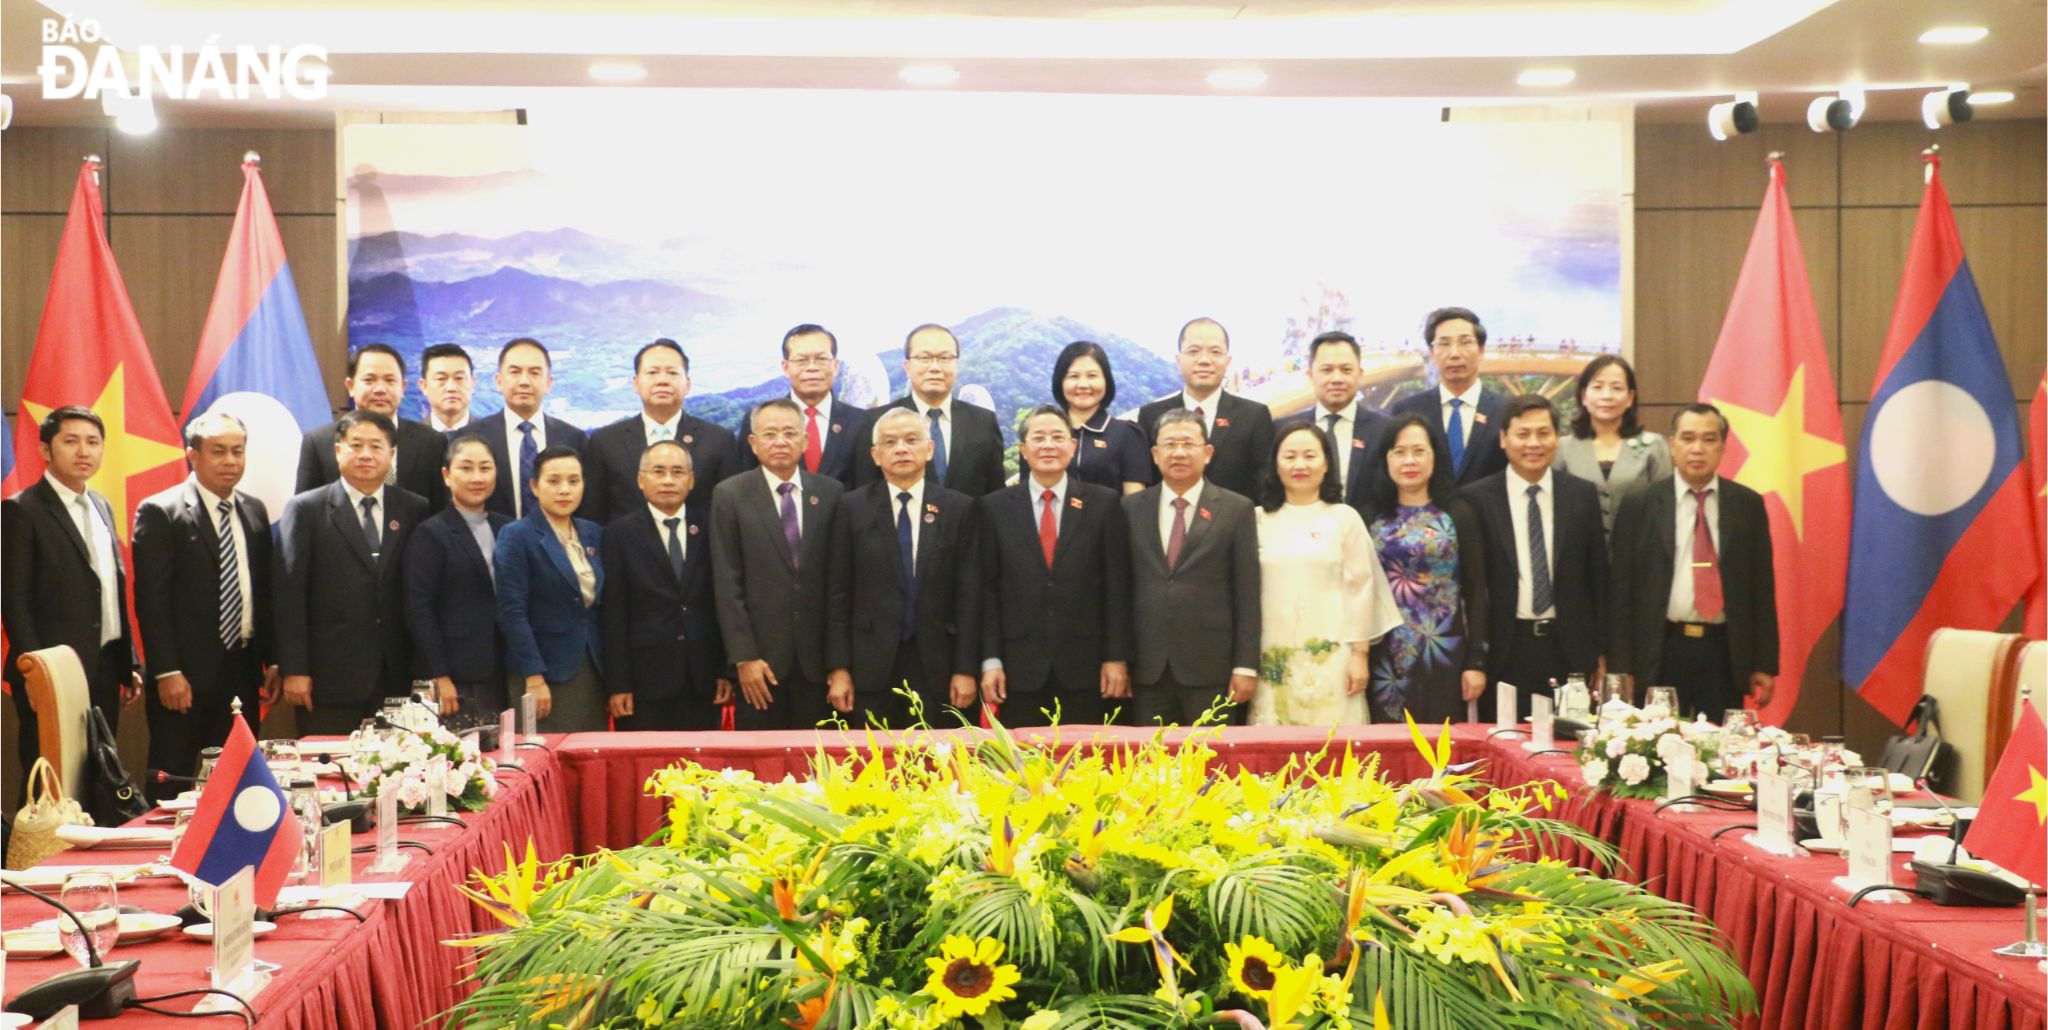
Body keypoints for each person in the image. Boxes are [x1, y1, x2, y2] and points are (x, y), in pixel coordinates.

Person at [133, 412, 275, 798]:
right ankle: (161, 855)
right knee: (172, 778)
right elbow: (152, 601)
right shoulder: (162, 511)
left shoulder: (254, 510)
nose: (230, 461)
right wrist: (167, 671)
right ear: (192, 454)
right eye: (218, 451)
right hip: (184, 675)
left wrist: (273, 659)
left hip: (242, 669)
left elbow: (263, 592)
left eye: (237, 451)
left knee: (239, 782)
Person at [1608, 405, 1778, 720]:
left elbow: (1762, 588)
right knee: (1655, 754)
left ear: (1723, 447)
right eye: (1688, 438)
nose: (1697, 448)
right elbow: (1621, 590)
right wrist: (1621, 667)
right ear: (1672, 445)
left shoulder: (1747, 505)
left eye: (1709, 439)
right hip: (1661, 648)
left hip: (1723, 651)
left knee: (1718, 756)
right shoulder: (1640, 504)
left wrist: (1764, 664)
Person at [2, 407, 142, 782]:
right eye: (71, 441)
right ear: (45, 451)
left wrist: (127, 660)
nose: (84, 451)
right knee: (50, 777)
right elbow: (14, 602)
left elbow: (109, 587)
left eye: (93, 442)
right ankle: (44, 846)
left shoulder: (102, 505)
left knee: (97, 776)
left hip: (105, 664)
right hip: (53, 669)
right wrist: (35, 674)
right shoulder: (20, 511)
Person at [276, 409, 430, 735]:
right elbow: (289, 596)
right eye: (355, 445)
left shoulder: (414, 508)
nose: (365, 455)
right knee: (331, 775)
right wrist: (294, 669)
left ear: (392, 454)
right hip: (329, 675)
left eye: (376, 446)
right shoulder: (306, 509)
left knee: (398, 772)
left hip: (397, 673)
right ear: (337, 450)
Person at [977, 406, 1132, 727]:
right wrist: (990, 660)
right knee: (1021, 768)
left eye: (1058, 437)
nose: (1048, 445)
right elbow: (987, 591)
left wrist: (1116, 657)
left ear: (1073, 446)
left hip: (1086, 667)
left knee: (1085, 768)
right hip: (1017, 669)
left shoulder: (1103, 504)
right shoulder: (994, 508)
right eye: (1039, 437)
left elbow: (1116, 587)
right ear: (1023, 449)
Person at [827, 409, 980, 727]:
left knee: (941, 769)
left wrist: (966, 669)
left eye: (911, 440)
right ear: (875, 455)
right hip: (870, 666)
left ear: (929, 449)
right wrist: (839, 669)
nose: (901, 448)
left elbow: (970, 596)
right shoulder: (850, 507)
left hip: (940, 665)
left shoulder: (959, 508)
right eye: (890, 442)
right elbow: (837, 593)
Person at [1461, 394, 1606, 718]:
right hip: (1504, 650)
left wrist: (1601, 652)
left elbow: (1597, 576)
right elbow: (1471, 586)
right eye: (1523, 434)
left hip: (1569, 648)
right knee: (1503, 749)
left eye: (1543, 433)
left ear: (1557, 438)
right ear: (1503, 439)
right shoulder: (1476, 499)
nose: (1533, 443)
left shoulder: (1581, 495)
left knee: (1570, 749)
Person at [1248, 423, 1401, 726]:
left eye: (1310, 455)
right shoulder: (1256, 519)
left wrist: (1359, 655)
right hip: (1271, 655)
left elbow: (1362, 588)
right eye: (1289, 456)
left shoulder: (1344, 518)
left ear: (1327, 463)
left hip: (1333, 656)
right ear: (1275, 464)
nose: (1300, 465)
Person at [710, 400, 844, 729]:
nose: (780, 441)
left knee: (820, 767)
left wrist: (840, 663)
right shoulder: (730, 495)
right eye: (769, 434)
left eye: (789, 433)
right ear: (753, 443)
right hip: (760, 662)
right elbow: (727, 583)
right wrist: (744, 656)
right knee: (761, 769)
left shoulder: (831, 493)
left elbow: (840, 585)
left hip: (818, 663)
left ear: (805, 441)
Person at [1123, 409, 1261, 726]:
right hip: (1147, 666)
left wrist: (1246, 665)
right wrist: (1120, 658)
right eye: (1170, 444)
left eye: (1189, 443)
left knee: (1212, 767)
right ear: (1155, 455)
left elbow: (1247, 592)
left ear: (1207, 453)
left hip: (1213, 666)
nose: (1180, 452)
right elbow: (1120, 588)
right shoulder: (1131, 508)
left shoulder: (1236, 509)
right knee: (1152, 768)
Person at [1360, 414, 1489, 724]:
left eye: (1419, 451)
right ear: (1386, 459)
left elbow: (1477, 590)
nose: (1409, 461)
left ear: (1435, 457)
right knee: (1384, 758)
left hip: (1444, 653)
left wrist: (1476, 662)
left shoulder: (1459, 514)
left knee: (1440, 752)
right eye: (1399, 452)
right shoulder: (1367, 516)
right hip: (1383, 657)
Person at [600, 440, 729, 731]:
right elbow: (614, 613)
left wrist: (725, 670)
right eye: (658, 471)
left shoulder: (711, 527)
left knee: (703, 769)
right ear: (641, 480)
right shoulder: (618, 534)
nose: (668, 480)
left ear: (691, 480)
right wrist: (618, 683)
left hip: (703, 677)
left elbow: (721, 602)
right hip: (644, 680)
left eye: (677, 472)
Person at [494, 446, 608, 733]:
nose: (565, 490)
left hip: (591, 667)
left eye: (574, 481)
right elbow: (512, 612)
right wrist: (533, 675)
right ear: (534, 486)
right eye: (554, 481)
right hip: (543, 671)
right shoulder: (517, 535)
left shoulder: (593, 532)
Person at [405, 434, 511, 720]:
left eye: (485, 468)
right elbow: (420, 608)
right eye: (466, 468)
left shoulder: (509, 528)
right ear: (446, 475)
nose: (477, 477)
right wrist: (439, 675)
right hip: (458, 673)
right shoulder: (431, 533)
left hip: (506, 666)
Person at [582, 339, 740, 523]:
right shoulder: (605, 441)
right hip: (626, 549)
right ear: (636, 383)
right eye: (652, 372)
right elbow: (592, 516)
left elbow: (730, 514)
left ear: (687, 384)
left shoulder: (718, 440)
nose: (662, 381)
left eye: (672, 373)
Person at [855, 324, 1006, 498]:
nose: (935, 367)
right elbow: (865, 496)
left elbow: (995, 495)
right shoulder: (875, 421)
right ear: (907, 366)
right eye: (924, 358)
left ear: (956, 364)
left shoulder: (983, 422)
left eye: (944, 358)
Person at [295, 343, 450, 511]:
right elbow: (304, 511)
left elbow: (441, 514)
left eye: (390, 380)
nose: (380, 389)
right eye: (369, 380)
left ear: (403, 387)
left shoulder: (432, 443)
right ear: (351, 386)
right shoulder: (319, 442)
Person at [1136, 318, 1275, 498]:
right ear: (1179, 360)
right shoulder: (1151, 415)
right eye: (1193, 351)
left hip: (1234, 523)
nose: (1204, 360)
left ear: (1227, 360)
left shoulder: (1255, 416)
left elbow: (1264, 483)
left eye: (1215, 352)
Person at [1274, 331, 1391, 520]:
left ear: (1360, 374)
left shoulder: (1385, 430)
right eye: (1327, 370)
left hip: (1366, 542)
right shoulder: (1282, 431)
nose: (1337, 379)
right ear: (1310, 375)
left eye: (1346, 370)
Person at [469, 338, 588, 521]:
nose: (524, 381)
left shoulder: (574, 439)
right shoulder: (472, 437)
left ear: (549, 383)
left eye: (534, 373)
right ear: (499, 381)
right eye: (515, 372)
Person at [738, 324, 870, 488]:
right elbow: (746, 487)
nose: (812, 367)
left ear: (835, 366)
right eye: (801, 360)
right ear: (786, 367)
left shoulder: (861, 422)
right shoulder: (758, 420)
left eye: (821, 359)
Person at [1554, 354, 1670, 538]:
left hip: (1638, 557)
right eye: (1597, 387)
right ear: (1584, 396)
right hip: (1579, 557)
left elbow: (1665, 510)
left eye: (1616, 388)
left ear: (1630, 397)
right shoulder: (1562, 448)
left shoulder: (1653, 446)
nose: (1606, 396)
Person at [1389, 307, 1507, 487]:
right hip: (1426, 514)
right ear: (1432, 352)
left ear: (1481, 349)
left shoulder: (1506, 410)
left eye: (1465, 342)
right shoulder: (1406, 411)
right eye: (1444, 344)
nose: (1454, 354)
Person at [1053, 341, 1149, 495]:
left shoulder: (1128, 434)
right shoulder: (1042, 433)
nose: (1083, 384)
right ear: (1060, 382)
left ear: (1106, 380)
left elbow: (1135, 502)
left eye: (1092, 376)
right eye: (1073, 376)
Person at [419, 342, 476, 433]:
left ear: (473, 384)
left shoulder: (491, 435)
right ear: (424, 386)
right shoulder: (406, 439)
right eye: (441, 379)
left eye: (459, 378)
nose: (451, 388)